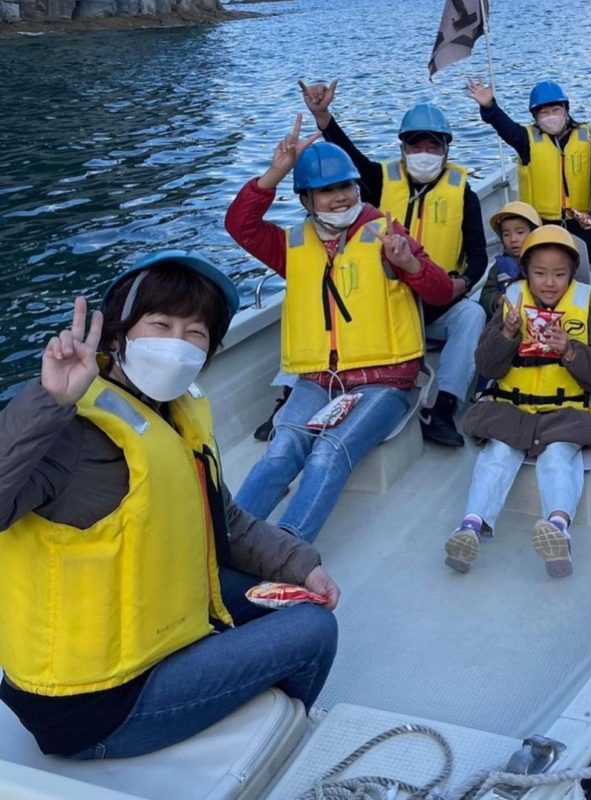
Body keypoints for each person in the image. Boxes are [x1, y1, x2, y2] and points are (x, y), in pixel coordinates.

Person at [0, 252, 339, 761]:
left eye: (195, 333)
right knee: (314, 630)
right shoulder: (68, 428)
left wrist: (302, 564)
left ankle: (230, 711)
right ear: (118, 336)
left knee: (294, 598)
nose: (177, 344)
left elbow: (223, 521)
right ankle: (265, 753)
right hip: (93, 704)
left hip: (145, 638)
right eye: (160, 325)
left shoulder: (174, 413)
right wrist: (48, 401)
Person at [225, 120, 454, 541]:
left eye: (346, 186)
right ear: (307, 199)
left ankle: (288, 551)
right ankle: (225, 546)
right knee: (282, 450)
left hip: (385, 382)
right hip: (318, 381)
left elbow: (440, 292)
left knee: (328, 453)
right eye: (327, 191)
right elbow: (240, 225)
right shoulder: (290, 245)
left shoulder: (388, 233)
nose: (340, 197)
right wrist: (275, 172)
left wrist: (409, 265)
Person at [298, 80, 488, 449]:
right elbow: (348, 153)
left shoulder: (463, 192)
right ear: (402, 149)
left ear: (447, 150)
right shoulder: (379, 181)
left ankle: (443, 407)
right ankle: (288, 398)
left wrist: (461, 285)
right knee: (319, 300)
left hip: (435, 299)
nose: (424, 152)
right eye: (416, 144)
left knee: (473, 315)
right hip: (382, 302)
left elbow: (479, 255)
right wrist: (322, 116)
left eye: (433, 145)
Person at [446, 226, 591, 578]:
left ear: (572, 274)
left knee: (556, 458)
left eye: (559, 274)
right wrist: (507, 333)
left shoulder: (583, 309)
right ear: (525, 273)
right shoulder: (511, 305)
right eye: (539, 273)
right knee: (496, 456)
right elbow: (487, 366)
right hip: (511, 408)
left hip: (564, 413)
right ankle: (470, 527)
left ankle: (558, 528)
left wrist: (569, 350)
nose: (549, 283)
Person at [466, 77, 591, 262]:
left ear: (566, 110)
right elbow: (506, 128)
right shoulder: (526, 140)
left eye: (556, 110)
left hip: (578, 219)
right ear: (536, 117)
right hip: (539, 222)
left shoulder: (585, 140)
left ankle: (568, 274)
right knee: (542, 254)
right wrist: (489, 107)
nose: (551, 116)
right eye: (544, 112)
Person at [479, 201, 541, 318]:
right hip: (510, 320)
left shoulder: (547, 261)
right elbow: (486, 295)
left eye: (520, 232)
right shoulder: (498, 267)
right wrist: (497, 300)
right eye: (506, 234)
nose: (513, 239)